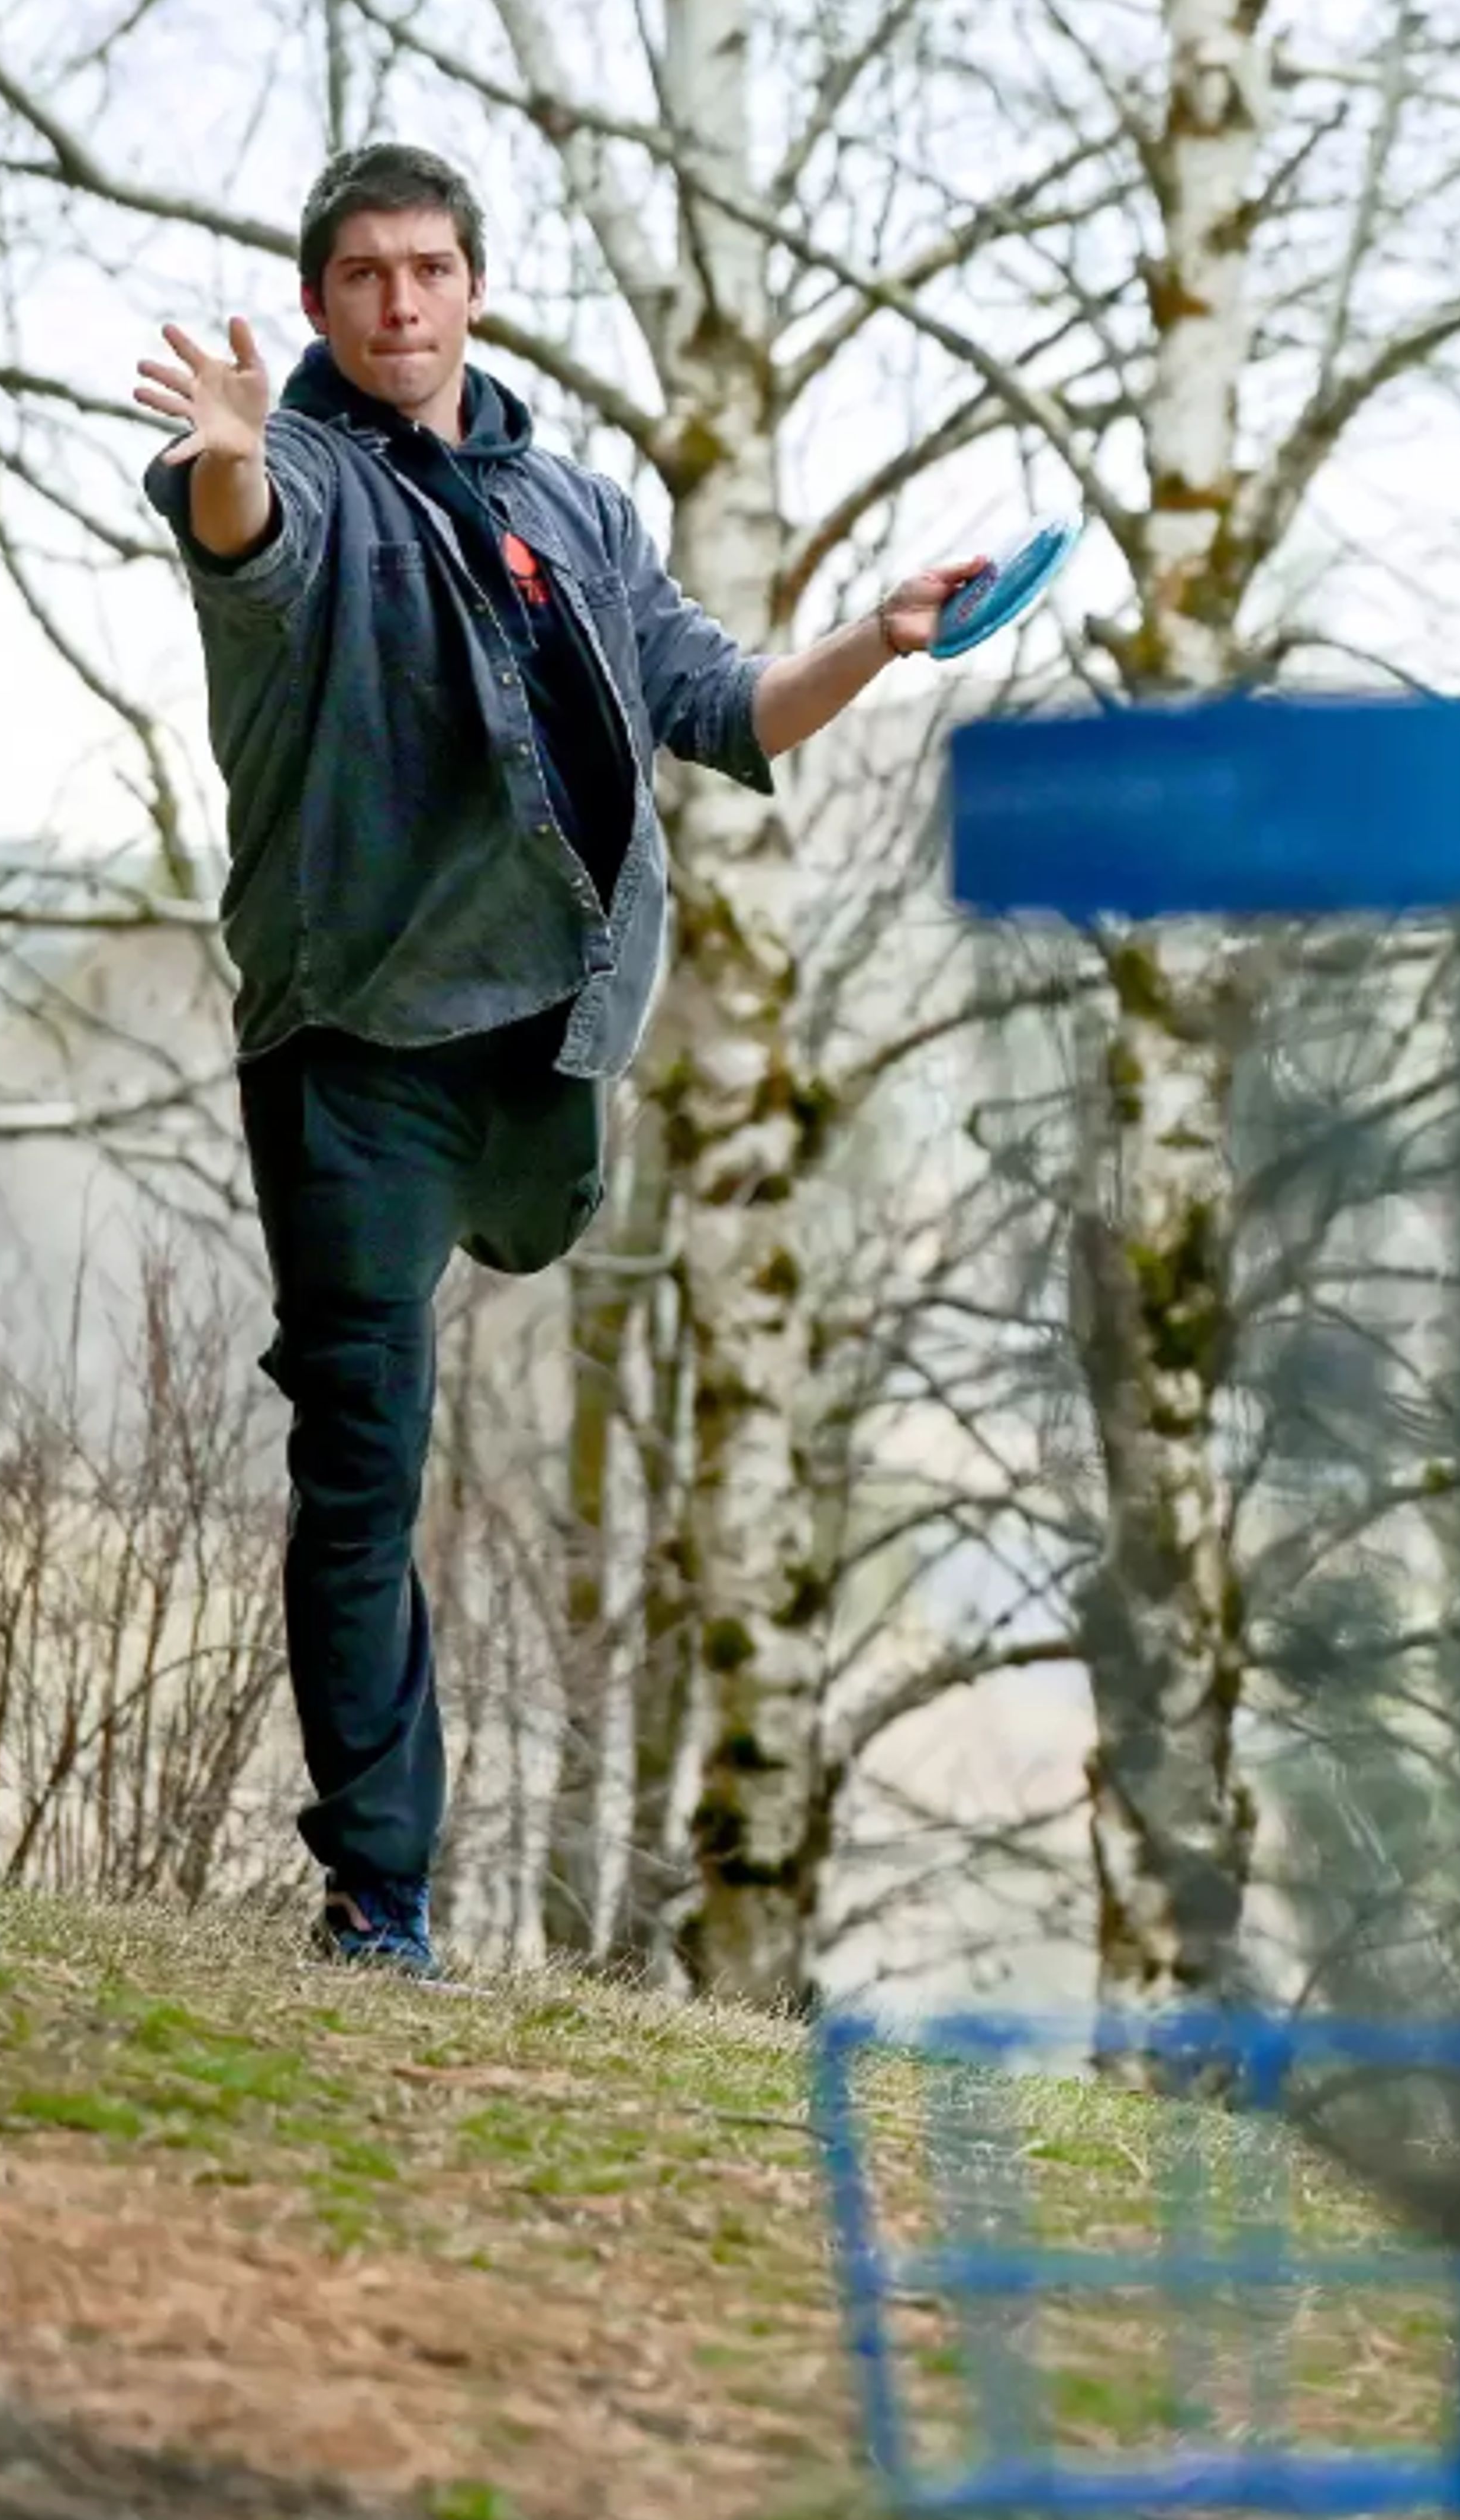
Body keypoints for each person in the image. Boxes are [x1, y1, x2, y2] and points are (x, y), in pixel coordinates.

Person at [135, 141, 984, 1980]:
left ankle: (518, 1189)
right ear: (319, 305)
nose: (400, 304)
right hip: (352, 1054)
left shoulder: (577, 509)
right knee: (364, 1455)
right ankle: (381, 1896)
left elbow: (722, 705)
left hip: (548, 1054)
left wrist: (880, 636)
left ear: (475, 289)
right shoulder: (296, 477)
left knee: (534, 1235)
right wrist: (218, 455)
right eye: (362, 277)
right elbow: (244, 547)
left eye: (428, 270)